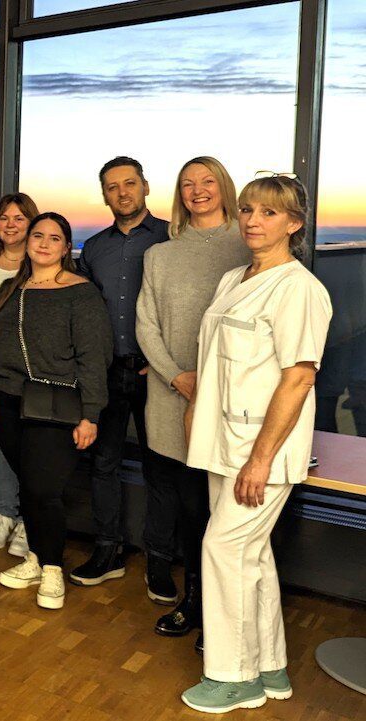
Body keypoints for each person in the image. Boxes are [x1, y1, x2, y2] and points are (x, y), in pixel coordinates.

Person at [180, 175, 331, 713]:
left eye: (268, 212)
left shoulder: (299, 289)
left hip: (261, 450)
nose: (252, 220)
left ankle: (233, 676)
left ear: (294, 223)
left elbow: (299, 378)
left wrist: (261, 460)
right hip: (223, 440)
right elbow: (215, 362)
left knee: (224, 549)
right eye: (246, 209)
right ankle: (269, 666)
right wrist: (196, 415)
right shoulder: (232, 279)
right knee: (251, 555)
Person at [135, 157, 251, 647]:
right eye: (188, 184)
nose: (198, 190)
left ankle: (229, 615)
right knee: (189, 508)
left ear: (224, 187)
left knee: (229, 512)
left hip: (234, 399)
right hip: (172, 397)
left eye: (207, 181)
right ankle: (195, 602)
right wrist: (176, 375)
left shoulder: (250, 243)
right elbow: (146, 324)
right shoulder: (159, 254)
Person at [0, 213, 112, 610]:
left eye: (54, 238)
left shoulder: (81, 293)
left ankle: (52, 568)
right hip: (7, 402)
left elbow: (94, 357)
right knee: (28, 485)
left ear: (66, 247)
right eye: (37, 235)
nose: (43, 243)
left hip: (56, 404)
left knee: (45, 491)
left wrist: (91, 414)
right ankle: (36, 560)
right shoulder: (10, 289)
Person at [71, 156, 170, 598]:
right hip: (108, 373)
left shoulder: (171, 237)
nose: (122, 193)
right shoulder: (94, 249)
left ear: (145, 186)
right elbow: (87, 316)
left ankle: (160, 560)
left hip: (158, 374)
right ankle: (108, 550)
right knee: (104, 464)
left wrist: (166, 361)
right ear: (104, 195)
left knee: (160, 468)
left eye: (130, 183)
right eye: (112, 187)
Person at [0, 193, 38, 558]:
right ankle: (4, 513)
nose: (10, 224)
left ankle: (29, 519)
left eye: (19, 218)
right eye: (4, 218)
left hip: (33, 369)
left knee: (32, 446)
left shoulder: (40, 263)